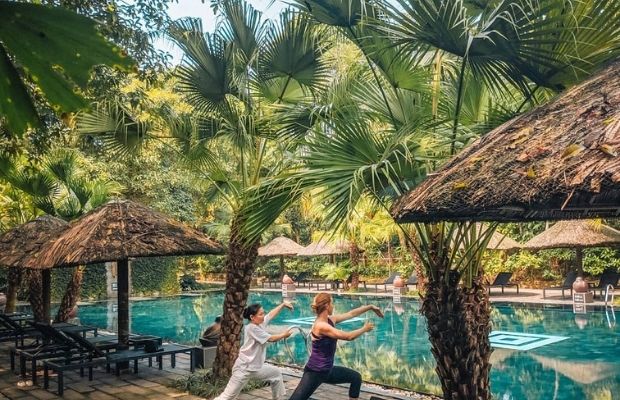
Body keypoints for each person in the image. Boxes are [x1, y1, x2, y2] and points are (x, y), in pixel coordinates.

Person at [289, 293, 384, 400]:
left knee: (356, 378)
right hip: (315, 372)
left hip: (327, 371)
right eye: (332, 303)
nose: (333, 306)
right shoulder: (321, 326)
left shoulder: (330, 320)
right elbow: (349, 337)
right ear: (326, 305)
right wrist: (364, 329)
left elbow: (351, 313)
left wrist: (370, 307)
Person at [214, 301, 294, 400]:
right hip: (244, 368)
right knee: (228, 396)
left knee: (276, 373)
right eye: (261, 314)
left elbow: (270, 315)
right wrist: (284, 335)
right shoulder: (251, 328)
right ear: (252, 317)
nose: (263, 316)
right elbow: (271, 339)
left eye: (263, 313)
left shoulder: (259, 323)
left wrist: (283, 305)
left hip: (256, 367)